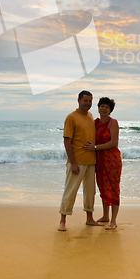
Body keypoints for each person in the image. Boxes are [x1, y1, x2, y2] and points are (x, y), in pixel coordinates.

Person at [58, 90, 101, 231]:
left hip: (91, 161)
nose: (88, 103)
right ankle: (62, 220)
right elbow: (67, 141)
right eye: (85, 101)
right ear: (78, 100)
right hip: (77, 161)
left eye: (90, 101)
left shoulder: (90, 116)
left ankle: (90, 218)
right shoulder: (71, 117)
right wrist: (73, 163)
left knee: (90, 192)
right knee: (70, 191)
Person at [83, 97, 121, 230]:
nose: (103, 109)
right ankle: (105, 216)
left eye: (106, 107)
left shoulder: (113, 122)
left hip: (112, 160)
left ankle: (113, 220)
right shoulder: (95, 123)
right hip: (99, 160)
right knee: (103, 188)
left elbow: (113, 143)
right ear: (98, 108)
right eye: (101, 106)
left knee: (113, 189)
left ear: (110, 110)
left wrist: (94, 148)